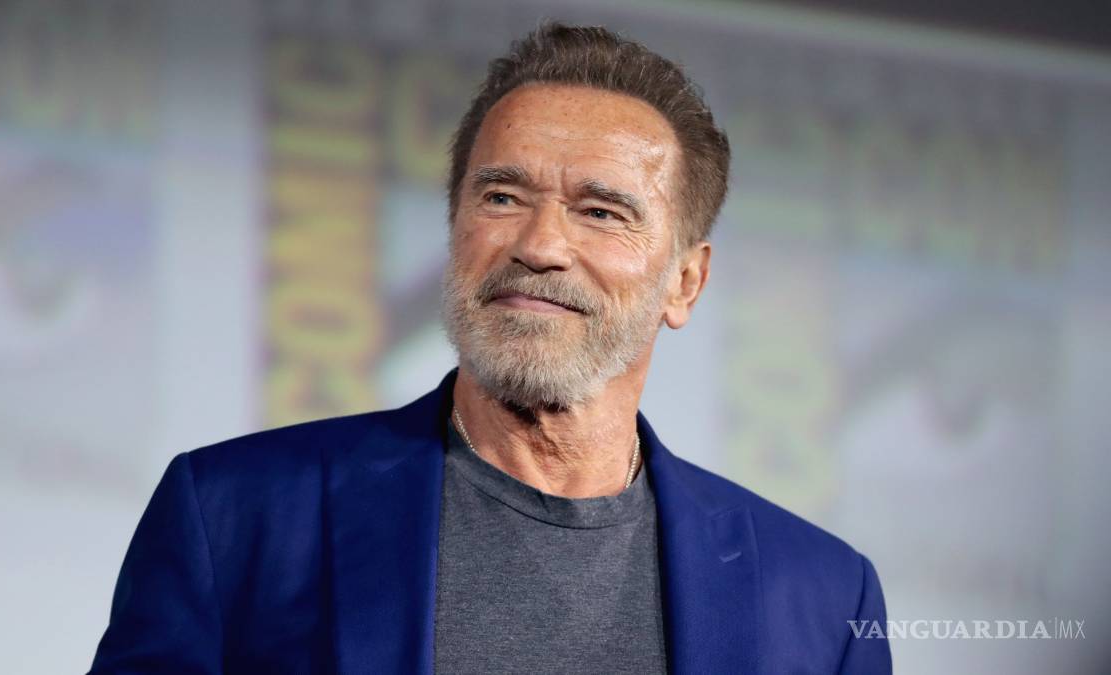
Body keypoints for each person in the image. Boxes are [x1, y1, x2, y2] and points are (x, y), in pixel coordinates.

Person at [89, 22, 890, 674]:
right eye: (502, 196)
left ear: (686, 281)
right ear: (454, 230)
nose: (539, 245)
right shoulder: (235, 516)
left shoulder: (822, 600)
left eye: (601, 212)